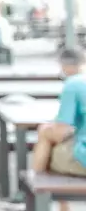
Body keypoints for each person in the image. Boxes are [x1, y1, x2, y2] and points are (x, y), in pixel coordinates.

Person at [31, 48, 86, 211]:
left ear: (66, 66)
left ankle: (39, 195)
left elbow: (60, 131)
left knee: (46, 137)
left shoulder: (75, 84)